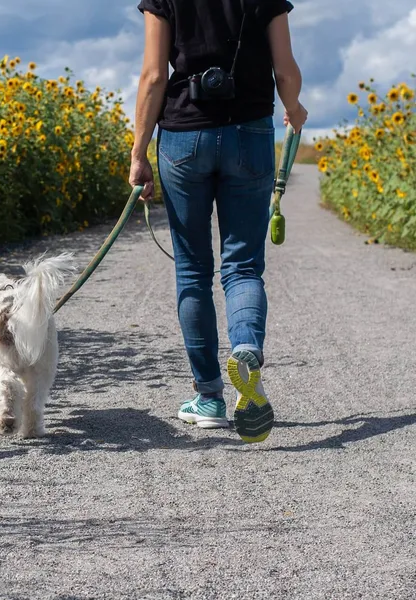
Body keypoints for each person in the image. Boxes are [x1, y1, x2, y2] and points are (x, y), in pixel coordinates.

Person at [129, 0, 307, 443]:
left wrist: (139, 152)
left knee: (192, 270)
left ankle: (209, 397)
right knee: (243, 266)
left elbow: (153, 75)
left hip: (183, 135)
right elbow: (285, 69)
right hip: (250, 132)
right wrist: (294, 106)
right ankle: (246, 347)